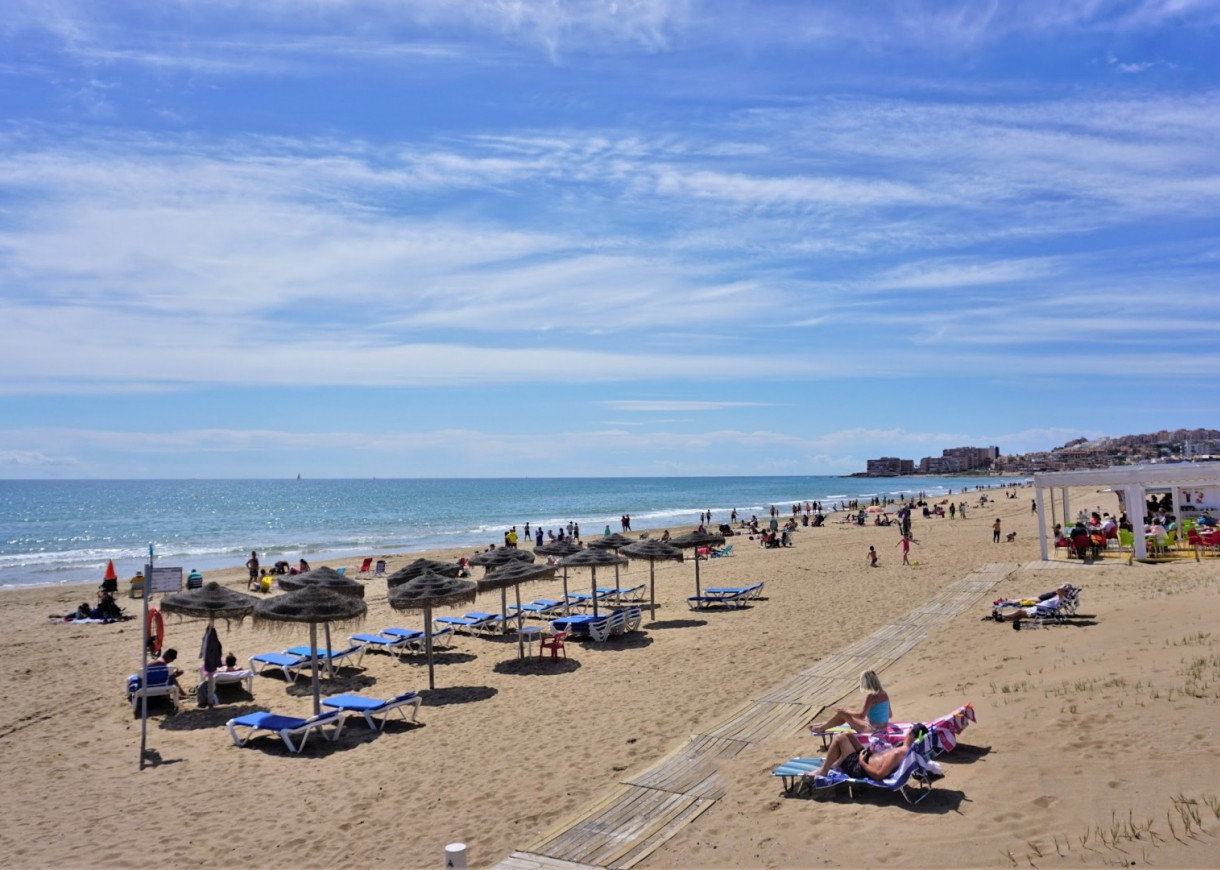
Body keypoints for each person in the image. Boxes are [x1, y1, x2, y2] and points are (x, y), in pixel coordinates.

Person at [809, 723, 929, 781]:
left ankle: (824, 771)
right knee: (847, 734)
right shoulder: (905, 748)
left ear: (911, 734)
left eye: (910, 728)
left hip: (859, 768)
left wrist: (862, 762)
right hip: (867, 756)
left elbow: (879, 774)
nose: (908, 729)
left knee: (839, 738)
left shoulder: (899, 753)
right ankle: (840, 761)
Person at [808, 670, 892, 733]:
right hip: (882, 728)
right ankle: (823, 724)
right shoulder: (884, 694)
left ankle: (821, 728)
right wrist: (875, 717)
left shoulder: (871, 696)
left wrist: (847, 711)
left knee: (842, 713)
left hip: (872, 730)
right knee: (845, 715)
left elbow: (861, 716)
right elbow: (890, 714)